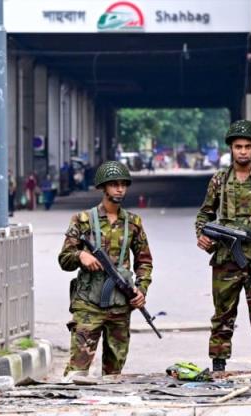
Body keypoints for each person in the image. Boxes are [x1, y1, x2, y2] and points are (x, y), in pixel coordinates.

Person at [195, 120, 251, 372]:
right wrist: (202, 236)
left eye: (248, 146)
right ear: (231, 149)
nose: (243, 151)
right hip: (226, 259)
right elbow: (204, 215)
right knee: (222, 316)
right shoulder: (219, 181)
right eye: (238, 146)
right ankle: (218, 365)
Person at [58, 161, 153, 377]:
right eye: (114, 184)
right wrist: (80, 255)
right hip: (88, 305)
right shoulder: (83, 220)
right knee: (77, 371)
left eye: (123, 184)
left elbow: (144, 262)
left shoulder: (133, 223)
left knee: (114, 375)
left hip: (120, 306)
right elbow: (64, 259)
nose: (120, 189)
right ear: (103, 187)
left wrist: (141, 290)